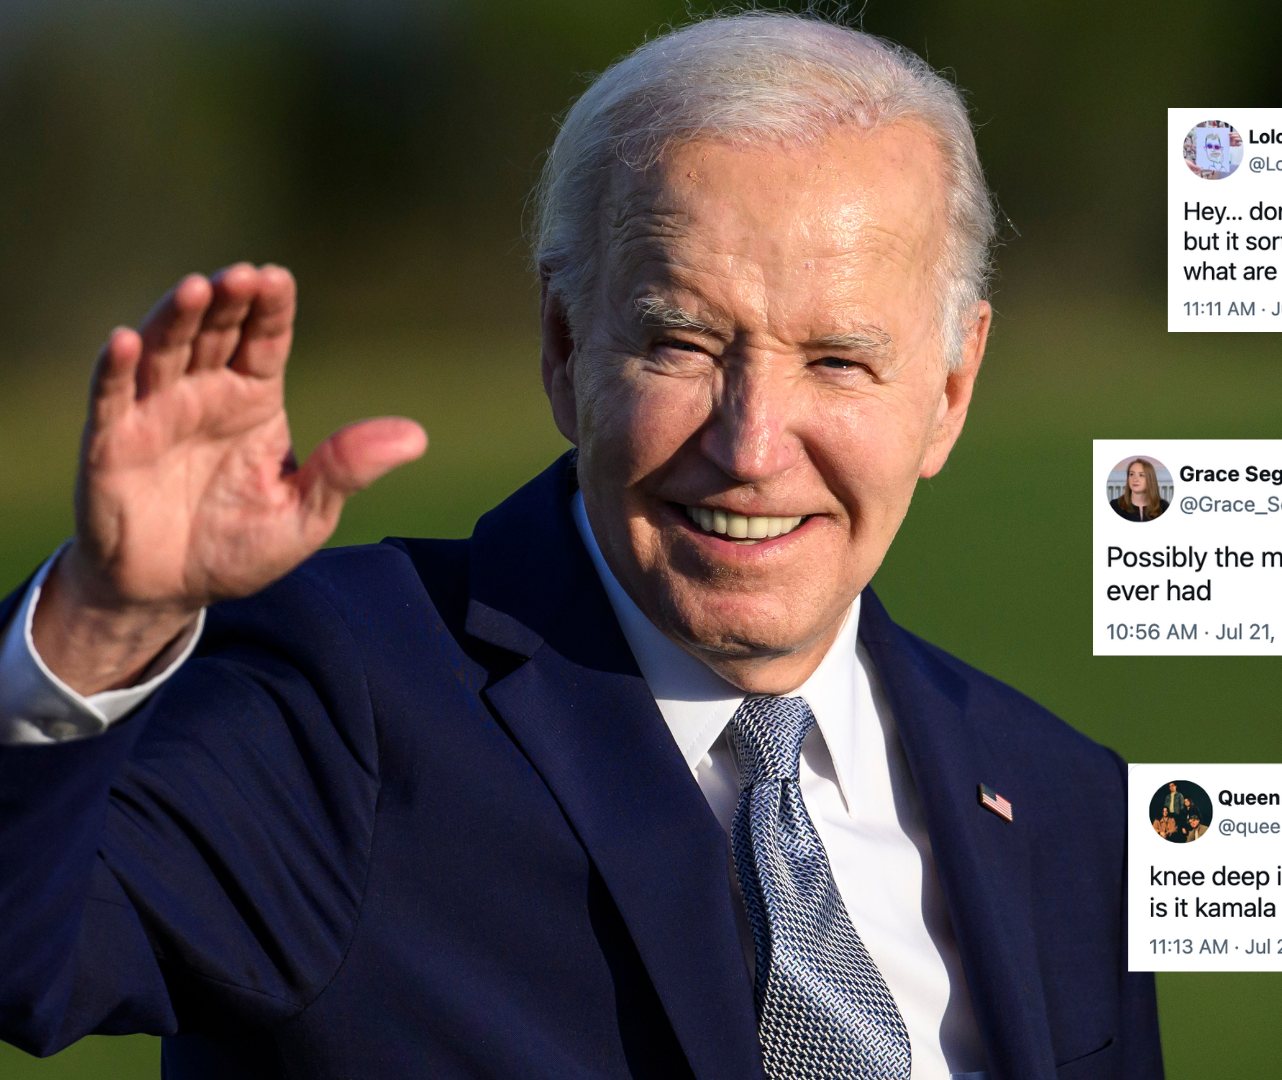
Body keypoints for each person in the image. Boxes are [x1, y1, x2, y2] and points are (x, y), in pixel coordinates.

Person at [0, 14, 1160, 1080]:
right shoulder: (345, 704)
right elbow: (26, 960)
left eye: (838, 361)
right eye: (682, 341)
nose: (752, 446)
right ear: (565, 346)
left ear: (951, 390)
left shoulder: (1077, 813)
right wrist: (106, 617)